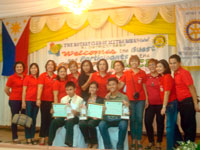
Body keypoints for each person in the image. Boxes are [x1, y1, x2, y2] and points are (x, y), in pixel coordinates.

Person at [169, 54, 200, 142]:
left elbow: (191, 87)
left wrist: (195, 103)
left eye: (174, 63)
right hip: (180, 102)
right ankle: (185, 143)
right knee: (183, 124)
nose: (172, 65)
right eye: (170, 63)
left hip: (188, 102)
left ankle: (189, 145)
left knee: (189, 126)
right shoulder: (175, 73)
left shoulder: (184, 73)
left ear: (179, 63)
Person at [121, 55, 148, 150]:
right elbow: (121, 85)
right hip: (130, 100)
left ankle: (139, 140)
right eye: (132, 61)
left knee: (140, 119)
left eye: (136, 61)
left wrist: (147, 99)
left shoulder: (142, 73)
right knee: (132, 120)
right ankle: (133, 140)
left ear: (138, 62)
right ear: (129, 63)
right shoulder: (126, 73)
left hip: (141, 100)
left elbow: (144, 86)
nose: (134, 63)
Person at [48, 81, 83, 147]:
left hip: (74, 117)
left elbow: (82, 113)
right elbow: (60, 111)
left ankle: (69, 142)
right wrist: (54, 111)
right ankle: (50, 141)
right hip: (64, 117)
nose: (69, 91)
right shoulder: (63, 99)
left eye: (70, 89)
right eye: (67, 90)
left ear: (75, 89)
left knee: (69, 121)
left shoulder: (80, 99)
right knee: (54, 121)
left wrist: (76, 112)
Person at [99, 77, 129, 150]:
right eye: (110, 85)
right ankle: (108, 147)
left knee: (123, 124)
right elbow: (103, 113)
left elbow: (127, 113)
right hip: (108, 120)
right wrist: (103, 110)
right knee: (101, 125)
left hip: (119, 120)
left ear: (118, 85)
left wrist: (126, 106)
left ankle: (120, 146)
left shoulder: (124, 97)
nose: (112, 86)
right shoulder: (106, 97)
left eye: (113, 84)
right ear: (108, 86)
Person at [156, 59, 177, 150]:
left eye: (160, 66)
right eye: (157, 66)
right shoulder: (162, 77)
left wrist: (163, 107)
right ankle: (178, 143)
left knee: (169, 127)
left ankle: (170, 148)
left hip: (170, 104)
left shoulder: (167, 77)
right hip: (167, 104)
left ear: (165, 67)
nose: (158, 68)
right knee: (173, 125)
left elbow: (167, 93)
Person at [144, 59, 165, 150]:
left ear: (157, 66)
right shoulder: (146, 76)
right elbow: (144, 88)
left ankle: (159, 142)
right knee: (148, 122)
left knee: (160, 123)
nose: (152, 66)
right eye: (150, 65)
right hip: (150, 104)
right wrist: (146, 100)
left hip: (160, 104)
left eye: (154, 65)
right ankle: (151, 141)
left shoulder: (162, 76)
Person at [4, 61, 26, 143]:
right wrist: (12, 96)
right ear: (15, 68)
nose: (19, 68)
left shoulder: (26, 77)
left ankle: (27, 136)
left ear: (23, 68)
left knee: (24, 117)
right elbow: (6, 90)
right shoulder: (11, 78)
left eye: (20, 67)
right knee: (15, 118)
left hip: (24, 101)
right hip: (14, 101)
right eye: (17, 67)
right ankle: (15, 136)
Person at [36, 60, 57, 145]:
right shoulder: (42, 76)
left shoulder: (56, 76)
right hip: (44, 101)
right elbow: (40, 88)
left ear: (54, 67)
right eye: (48, 64)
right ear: (46, 66)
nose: (50, 66)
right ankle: (42, 137)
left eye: (52, 65)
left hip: (54, 101)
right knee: (44, 120)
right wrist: (38, 99)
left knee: (51, 120)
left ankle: (49, 137)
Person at [79, 81, 104, 148]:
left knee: (91, 123)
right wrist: (82, 108)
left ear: (97, 89)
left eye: (94, 87)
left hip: (96, 118)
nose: (92, 89)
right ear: (89, 88)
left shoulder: (101, 99)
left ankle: (95, 142)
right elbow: (82, 110)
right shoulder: (85, 98)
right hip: (87, 117)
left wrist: (98, 116)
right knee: (81, 124)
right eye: (91, 87)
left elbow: (102, 111)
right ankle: (88, 141)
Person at [22, 63, 39, 144]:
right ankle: (28, 138)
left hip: (36, 102)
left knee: (34, 120)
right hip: (28, 101)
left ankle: (32, 137)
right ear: (30, 69)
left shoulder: (39, 78)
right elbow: (24, 91)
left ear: (37, 69)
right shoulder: (27, 78)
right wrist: (23, 102)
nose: (33, 69)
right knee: (28, 120)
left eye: (35, 68)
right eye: (32, 68)